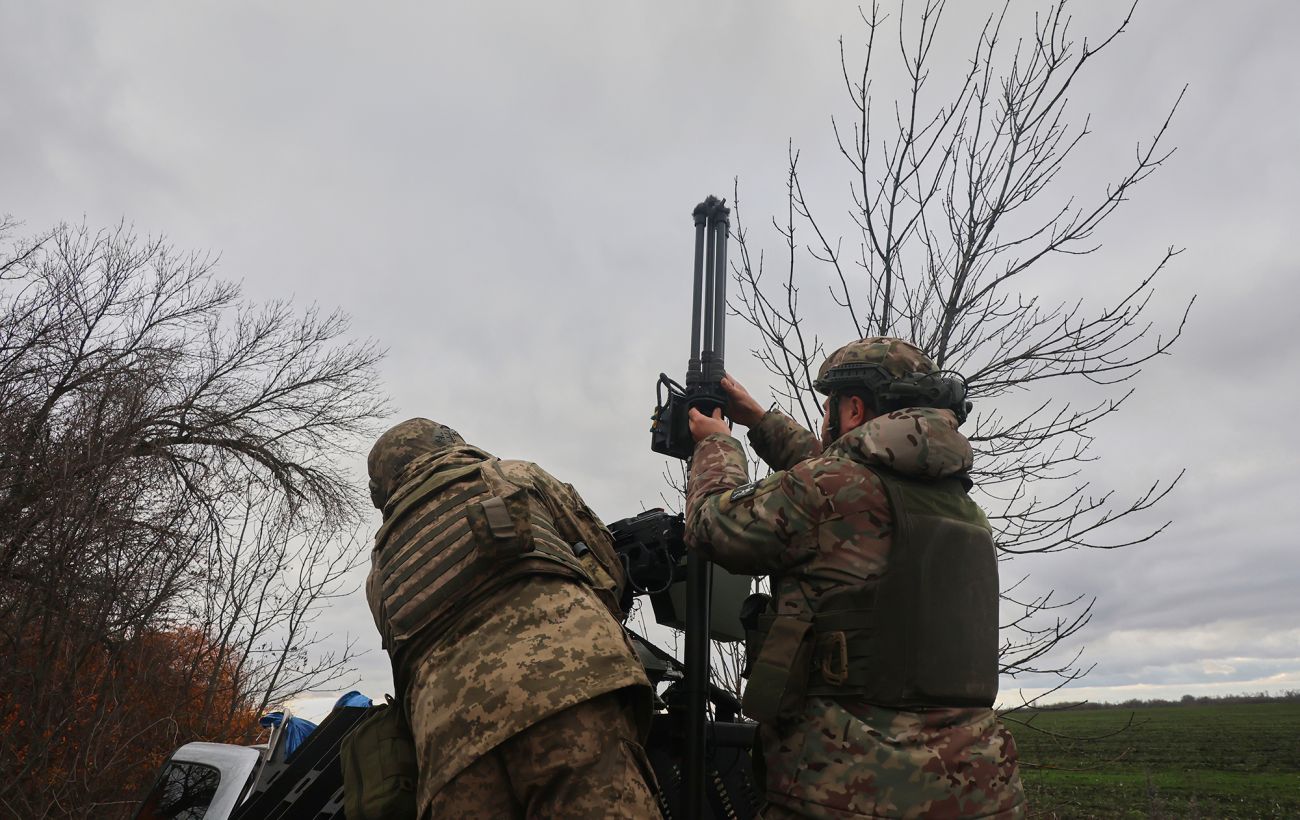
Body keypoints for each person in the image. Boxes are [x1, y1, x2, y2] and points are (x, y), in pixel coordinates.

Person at [684, 337, 1026, 819]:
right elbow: (836, 479)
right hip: (978, 789)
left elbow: (710, 526)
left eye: (830, 404)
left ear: (854, 409)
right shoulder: (962, 507)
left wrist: (716, 444)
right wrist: (760, 421)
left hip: (850, 792)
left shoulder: (833, 489)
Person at [365, 418, 661, 819]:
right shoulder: (512, 475)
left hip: (451, 749)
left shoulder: (380, 568)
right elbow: (604, 567)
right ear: (447, 442)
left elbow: (405, 667)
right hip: (568, 692)